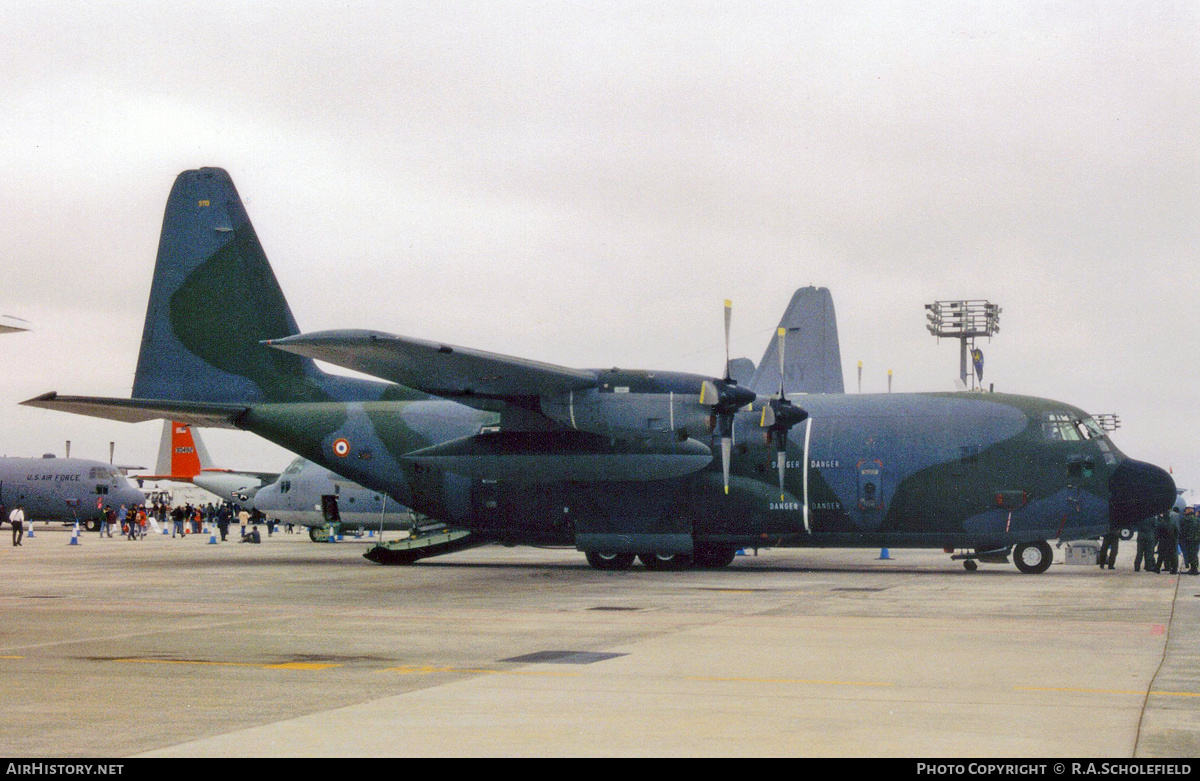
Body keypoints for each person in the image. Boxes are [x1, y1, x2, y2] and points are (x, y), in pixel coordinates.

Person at [1156, 510, 1179, 575]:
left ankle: (1157, 568)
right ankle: (1174, 569)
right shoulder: (1173, 524)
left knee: (1161, 555)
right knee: (1173, 556)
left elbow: (1158, 533)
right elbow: (1177, 532)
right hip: (1172, 541)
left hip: (1163, 541)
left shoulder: (1161, 524)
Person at [1180, 507, 1200, 576]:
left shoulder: (1187, 519)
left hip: (1189, 539)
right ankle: (1194, 568)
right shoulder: (1196, 519)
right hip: (1196, 539)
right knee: (1194, 554)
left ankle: (1194, 569)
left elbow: (1184, 529)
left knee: (1191, 554)